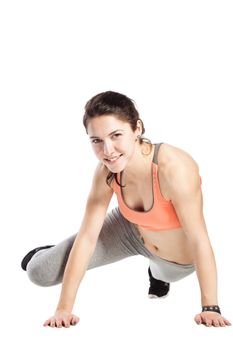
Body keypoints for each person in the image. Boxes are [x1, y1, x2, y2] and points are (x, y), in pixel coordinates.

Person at [21, 91, 231, 328]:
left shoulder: (174, 169)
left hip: (173, 260)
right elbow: (88, 237)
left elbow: (199, 239)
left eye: (116, 135)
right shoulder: (106, 172)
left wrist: (210, 307)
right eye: (96, 140)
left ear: (137, 128)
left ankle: (156, 276)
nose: (108, 151)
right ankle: (49, 252)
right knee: (39, 273)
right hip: (129, 230)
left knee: (166, 274)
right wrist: (63, 310)